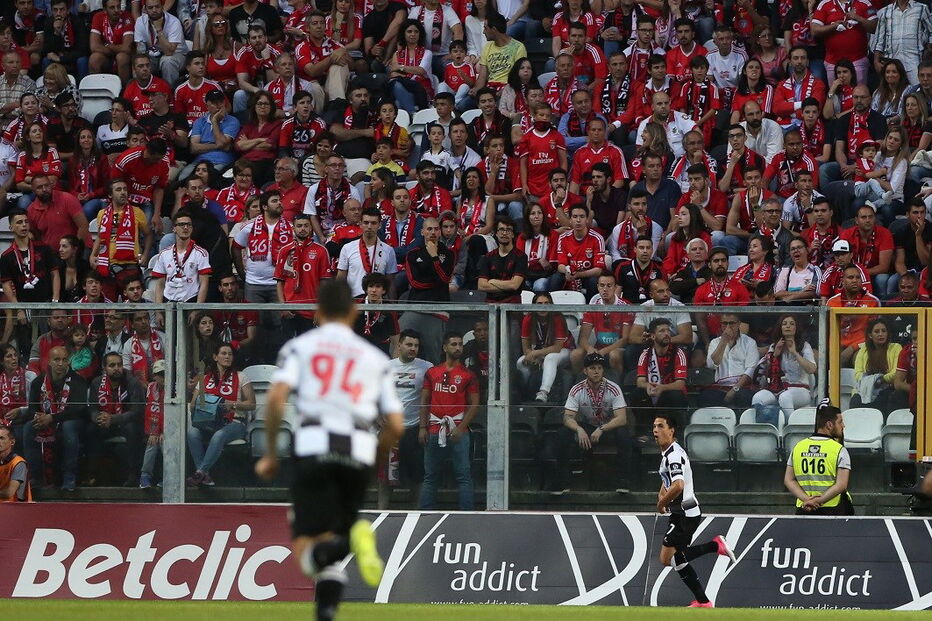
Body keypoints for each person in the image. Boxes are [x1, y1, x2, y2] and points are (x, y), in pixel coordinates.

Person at [255, 279, 403, 620]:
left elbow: (277, 397)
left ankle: (348, 541)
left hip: (314, 446)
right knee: (330, 552)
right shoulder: (375, 358)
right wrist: (374, 461)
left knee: (307, 544)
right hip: (359, 451)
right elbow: (396, 425)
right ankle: (327, 608)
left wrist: (271, 455)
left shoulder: (302, 347)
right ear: (353, 312)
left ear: (318, 312)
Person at [653, 413, 736, 608]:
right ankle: (703, 601)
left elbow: (679, 485)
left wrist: (661, 503)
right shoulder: (669, 452)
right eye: (654, 427)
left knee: (669, 559)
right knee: (676, 560)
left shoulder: (673, 455)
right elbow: (669, 481)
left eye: (660, 426)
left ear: (671, 430)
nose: (655, 430)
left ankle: (714, 546)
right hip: (680, 513)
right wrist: (662, 493)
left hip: (686, 514)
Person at [544, 352, 634, 494]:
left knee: (624, 434)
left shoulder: (613, 388)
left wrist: (602, 429)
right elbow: (567, 417)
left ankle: (624, 482)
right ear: (585, 371)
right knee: (563, 433)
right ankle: (562, 483)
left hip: (608, 427)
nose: (596, 371)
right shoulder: (577, 389)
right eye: (592, 368)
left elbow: (622, 418)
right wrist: (579, 429)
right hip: (587, 427)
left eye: (599, 368)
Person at [419, 330, 479, 510]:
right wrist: (423, 427)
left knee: (463, 476)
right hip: (434, 428)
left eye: (460, 344)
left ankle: (466, 516)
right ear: (445, 347)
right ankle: (425, 514)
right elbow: (424, 400)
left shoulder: (469, 375)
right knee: (430, 476)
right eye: (454, 344)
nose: (458, 347)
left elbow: (474, 404)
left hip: (458, 430)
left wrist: (462, 428)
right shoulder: (432, 372)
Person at [187, 343, 256, 487]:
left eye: (230, 354)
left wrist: (234, 404)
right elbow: (193, 405)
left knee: (219, 435)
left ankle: (200, 472)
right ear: (215, 357)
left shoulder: (241, 376)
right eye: (223, 353)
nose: (227, 357)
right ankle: (204, 474)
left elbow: (252, 404)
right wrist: (206, 402)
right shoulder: (204, 378)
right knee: (192, 432)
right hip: (208, 421)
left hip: (235, 422)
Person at [23, 346, 89, 492]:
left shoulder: (78, 381)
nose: (60, 363)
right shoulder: (38, 382)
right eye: (56, 359)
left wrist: (51, 418)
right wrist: (37, 417)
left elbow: (78, 410)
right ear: (49, 362)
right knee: (28, 427)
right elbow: (32, 408)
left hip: (73, 421)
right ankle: (35, 476)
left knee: (68, 427)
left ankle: (69, 476)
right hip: (48, 419)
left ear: (69, 362)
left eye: (64, 360)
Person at [386, 330, 432, 507]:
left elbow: (428, 397)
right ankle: (382, 511)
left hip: (414, 428)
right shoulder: (387, 367)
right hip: (391, 429)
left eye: (416, 346)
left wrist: (423, 426)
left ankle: (416, 512)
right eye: (409, 344)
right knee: (386, 477)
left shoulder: (427, 367)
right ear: (399, 345)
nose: (413, 349)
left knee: (417, 474)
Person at [784, 400, 853, 515]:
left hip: (804, 508)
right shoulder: (839, 450)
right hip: (833, 509)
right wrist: (819, 501)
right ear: (829, 425)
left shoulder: (798, 447)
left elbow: (788, 480)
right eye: (840, 422)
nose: (843, 426)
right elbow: (841, 485)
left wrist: (807, 500)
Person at [86, 351, 145, 486]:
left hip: (126, 423)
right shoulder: (96, 382)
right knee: (90, 429)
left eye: (119, 365)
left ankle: (133, 475)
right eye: (112, 365)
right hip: (106, 423)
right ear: (104, 368)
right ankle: (92, 474)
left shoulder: (132, 382)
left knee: (132, 429)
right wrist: (98, 418)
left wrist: (113, 419)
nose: (117, 368)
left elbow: (137, 411)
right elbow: (92, 409)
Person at [517, 291, 574, 403]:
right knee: (520, 362)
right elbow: (525, 347)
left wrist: (534, 353)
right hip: (540, 352)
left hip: (564, 351)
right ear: (533, 306)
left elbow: (557, 347)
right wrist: (531, 355)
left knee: (551, 358)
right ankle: (525, 392)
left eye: (546, 303)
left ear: (551, 304)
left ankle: (544, 392)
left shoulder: (557, 317)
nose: (543, 307)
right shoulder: (528, 318)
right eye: (539, 303)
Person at [633, 318, 689, 427]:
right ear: (653, 336)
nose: (667, 334)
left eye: (668, 331)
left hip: (671, 393)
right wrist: (648, 386)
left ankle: (672, 431)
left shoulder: (678, 353)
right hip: (653, 392)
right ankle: (644, 432)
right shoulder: (646, 354)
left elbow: (680, 384)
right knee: (637, 394)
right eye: (662, 331)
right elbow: (640, 381)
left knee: (673, 395)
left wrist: (661, 388)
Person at [699, 313, 759, 410]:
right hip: (721, 386)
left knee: (743, 396)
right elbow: (711, 365)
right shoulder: (714, 342)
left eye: (731, 323)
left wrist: (734, 389)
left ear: (739, 323)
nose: (728, 327)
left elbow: (750, 371)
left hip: (742, 386)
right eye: (724, 323)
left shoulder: (750, 342)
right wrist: (723, 342)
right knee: (706, 397)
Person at [152, 213, 212, 305]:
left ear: (192, 228)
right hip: (168, 303)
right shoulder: (164, 254)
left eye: (188, 225)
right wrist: (158, 310)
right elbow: (160, 285)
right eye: (181, 225)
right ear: (174, 228)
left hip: (190, 302)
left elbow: (204, 283)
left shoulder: (201, 253)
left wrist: (197, 308)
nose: (185, 227)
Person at [851, 318, 903, 412]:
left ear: (888, 334)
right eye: (876, 331)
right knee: (855, 399)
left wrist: (881, 379)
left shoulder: (896, 348)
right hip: (864, 389)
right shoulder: (864, 350)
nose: (880, 334)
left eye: (884, 331)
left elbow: (896, 373)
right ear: (870, 335)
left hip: (888, 389)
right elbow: (858, 374)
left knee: (885, 397)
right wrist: (872, 381)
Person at [134, 0, 188, 87]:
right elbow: (140, 50)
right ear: (145, 9)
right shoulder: (140, 21)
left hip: (177, 55)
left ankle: (170, 92)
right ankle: (143, 92)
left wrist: (159, 29)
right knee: (139, 63)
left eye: (157, 7)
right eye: (150, 8)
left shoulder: (174, 22)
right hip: (153, 55)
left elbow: (169, 52)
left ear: (162, 7)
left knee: (167, 61)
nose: (154, 10)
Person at [0, 424, 30, 501]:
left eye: (1, 438)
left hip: (15, 509)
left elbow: (9, 493)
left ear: (12, 442)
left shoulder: (18, 463)